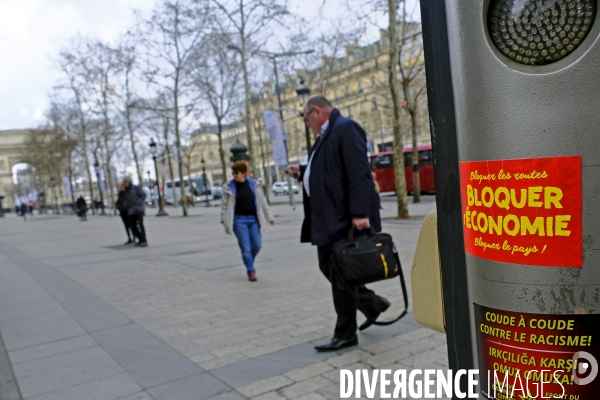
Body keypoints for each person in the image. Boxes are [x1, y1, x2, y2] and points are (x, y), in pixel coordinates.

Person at [286, 95, 390, 352]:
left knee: (339, 273)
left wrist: (359, 213)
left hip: (343, 218)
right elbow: (329, 170)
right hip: (329, 218)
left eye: (305, 117)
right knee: (333, 270)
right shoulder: (326, 134)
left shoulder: (345, 128)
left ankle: (346, 332)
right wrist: (302, 172)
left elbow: (358, 172)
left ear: (317, 111)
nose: (306, 123)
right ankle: (371, 304)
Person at [220, 161, 274, 282]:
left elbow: (262, 203)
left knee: (257, 245)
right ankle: (251, 271)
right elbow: (224, 206)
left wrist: (269, 217)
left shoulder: (254, 185)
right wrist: (224, 220)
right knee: (246, 248)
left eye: (236, 173)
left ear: (244, 173)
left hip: (254, 220)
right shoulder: (229, 187)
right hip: (239, 221)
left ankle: (248, 261)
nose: (234, 175)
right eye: (233, 173)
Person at [122, 176, 147, 247]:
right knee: (132, 226)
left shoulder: (136, 188)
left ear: (129, 182)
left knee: (140, 225)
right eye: (124, 182)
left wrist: (138, 202)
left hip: (138, 209)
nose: (125, 184)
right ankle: (139, 239)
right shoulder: (125, 190)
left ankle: (144, 240)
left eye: (125, 182)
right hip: (130, 210)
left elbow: (143, 195)